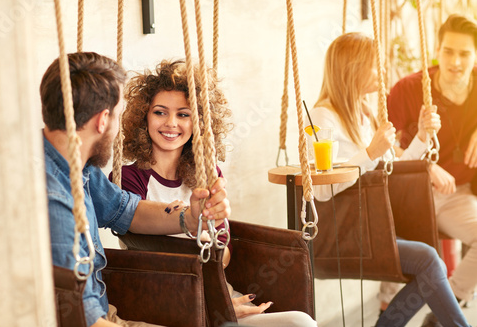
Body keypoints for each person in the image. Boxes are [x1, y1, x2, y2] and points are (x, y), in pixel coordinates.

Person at [115, 59, 317, 327]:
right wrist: (190, 221)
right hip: (169, 304)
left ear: (198, 122)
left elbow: (224, 258)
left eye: (183, 114)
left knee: (300, 322)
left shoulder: (208, 175)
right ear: (144, 116)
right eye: (160, 112)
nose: (171, 123)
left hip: (218, 296)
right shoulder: (128, 178)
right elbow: (139, 245)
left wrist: (211, 238)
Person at [41, 52, 230, 327]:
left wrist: (190, 217)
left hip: (109, 312)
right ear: (103, 120)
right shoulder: (55, 200)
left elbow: (127, 210)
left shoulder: (78, 168)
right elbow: (80, 319)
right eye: (119, 116)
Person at [310, 32, 470, 327]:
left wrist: (421, 137)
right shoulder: (323, 117)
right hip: (341, 235)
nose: (382, 71)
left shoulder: (364, 111)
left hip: (371, 229)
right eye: (375, 65)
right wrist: (371, 151)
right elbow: (321, 191)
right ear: (353, 69)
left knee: (427, 265)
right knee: (429, 260)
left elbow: (391, 171)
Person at [388, 14, 477, 312]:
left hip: (455, 195)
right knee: (392, 262)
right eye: (448, 51)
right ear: (437, 51)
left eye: (464, 53)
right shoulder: (409, 88)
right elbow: (381, 147)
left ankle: (448, 304)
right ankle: (386, 311)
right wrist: (425, 166)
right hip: (408, 194)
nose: (455, 61)